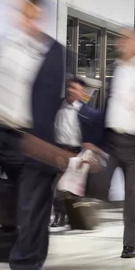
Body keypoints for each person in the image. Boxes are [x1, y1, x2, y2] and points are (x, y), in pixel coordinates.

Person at [0, 0, 65, 270]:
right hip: (5, 137)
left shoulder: (53, 51)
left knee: (31, 205)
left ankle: (24, 266)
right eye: (20, 12)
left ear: (39, 15)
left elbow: (52, 99)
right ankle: (34, 252)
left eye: (31, 13)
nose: (25, 18)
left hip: (36, 140)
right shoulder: (3, 46)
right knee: (22, 203)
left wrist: (41, 139)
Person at [101, 28, 135, 259]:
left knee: (133, 195)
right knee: (96, 179)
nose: (122, 43)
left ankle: (130, 243)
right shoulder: (116, 68)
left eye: (128, 39)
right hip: (113, 140)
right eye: (121, 39)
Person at [50, 78, 93, 229]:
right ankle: (59, 216)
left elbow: (91, 137)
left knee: (73, 189)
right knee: (57, 186)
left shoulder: (87, 112)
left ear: (82, 93)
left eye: (75, 88)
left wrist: (87, 156)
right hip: (59, 150)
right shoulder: (57, 106)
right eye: (69, 87)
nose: (70, 90)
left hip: (77, 153)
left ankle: (76, 217)